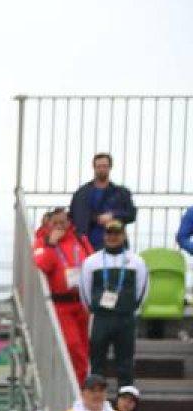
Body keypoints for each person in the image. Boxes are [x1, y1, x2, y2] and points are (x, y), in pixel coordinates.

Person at [79, 220, 149, 386]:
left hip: (125, 318)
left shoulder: (137, 261)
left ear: (123, 235)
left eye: (117, 233)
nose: (112, 237)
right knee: (97, 363)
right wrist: (94, 308)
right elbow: (84, 291)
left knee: (125, 364)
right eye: (109, 233)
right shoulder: (91, 261)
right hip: (101, 318)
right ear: (104, 235)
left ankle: (126, 408)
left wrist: (130, 308)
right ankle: (96, 405)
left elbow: (142, 290)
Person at [32, 207, 94, 381]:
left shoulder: (80, 240)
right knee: (72, 345)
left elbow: (92, 263)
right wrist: (51, 244)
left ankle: (81, 383)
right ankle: (76, 385)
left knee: (83, 346)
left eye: (63, 222)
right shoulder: (42, 242)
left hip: (81, 302)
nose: (60, 226)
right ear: (48, 224)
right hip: (61, 305)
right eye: (55, 222)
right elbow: (42, 264)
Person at [69, 153, 137, 251]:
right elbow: (74, 216)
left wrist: (113, 215)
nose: (101, 169)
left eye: (104, 166)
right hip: (87, 246)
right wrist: (96, 218)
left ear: (110, 167)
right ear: (94, 167)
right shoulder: (81, 194)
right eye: (99, 166)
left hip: (115, 245)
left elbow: (131, 214)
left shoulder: (121, 193)